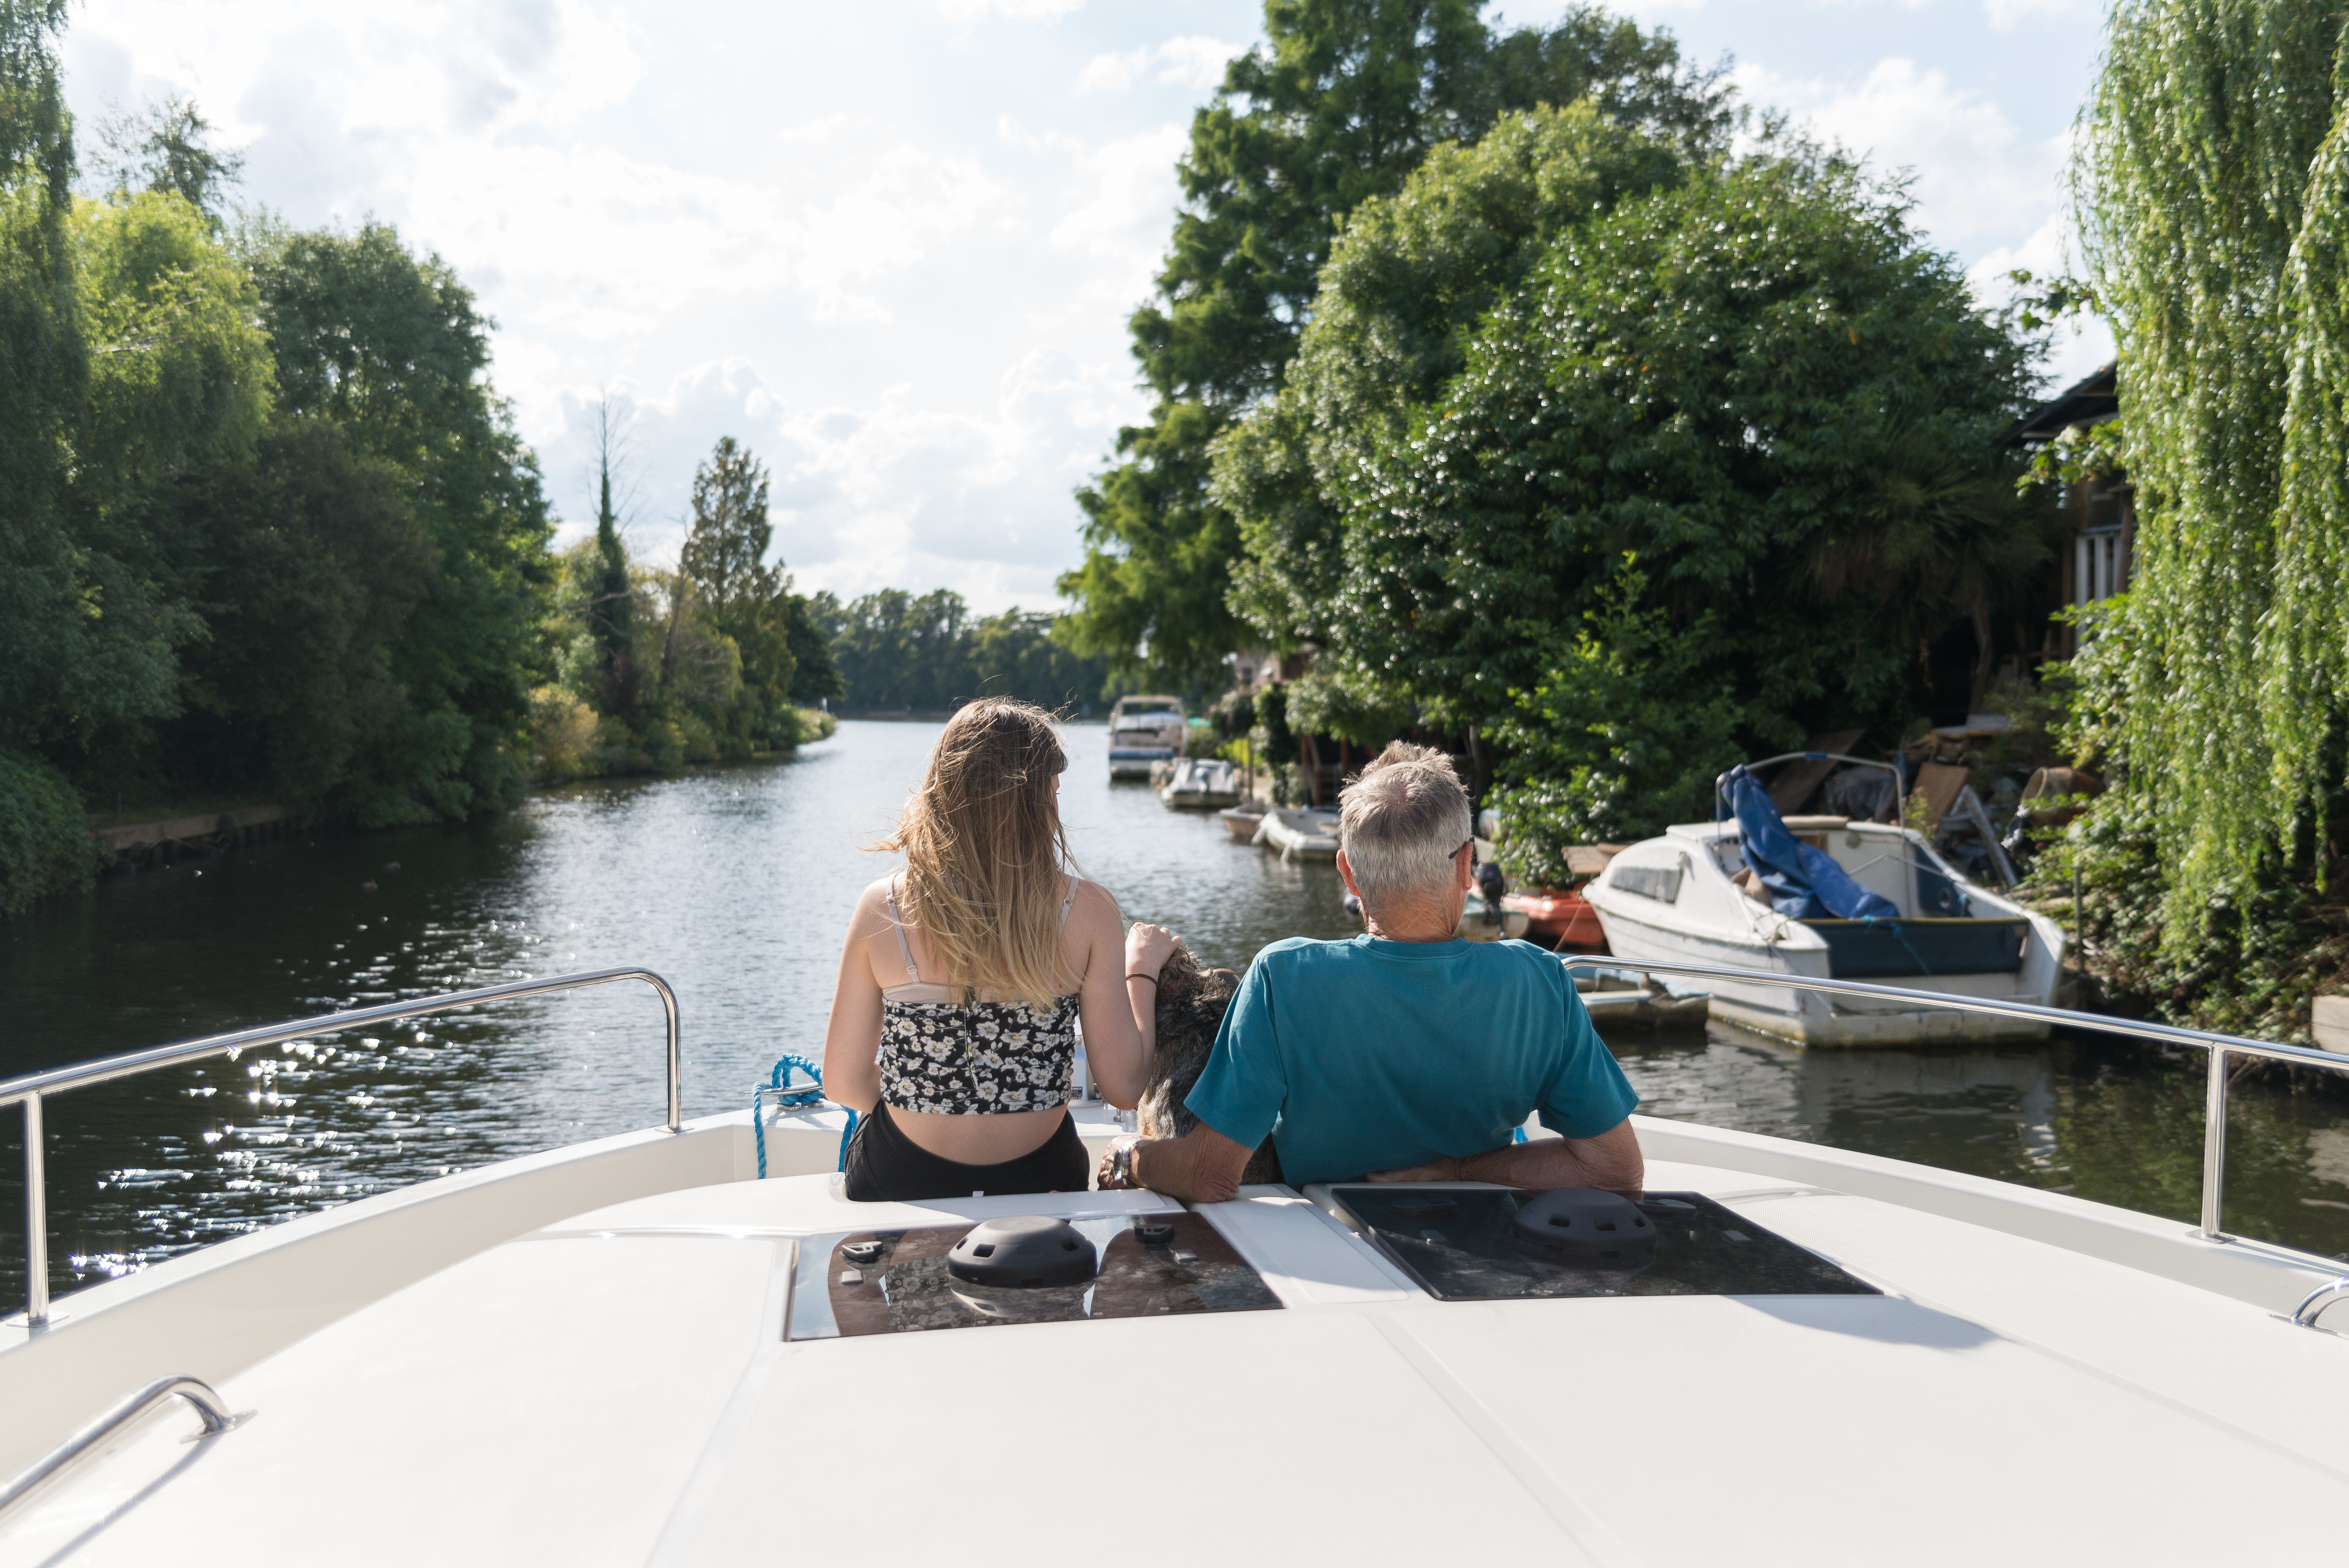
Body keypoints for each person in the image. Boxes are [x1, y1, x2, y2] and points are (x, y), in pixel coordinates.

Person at [1100, 741, 1641, 1203]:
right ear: (1467, 864)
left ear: (1347, 874)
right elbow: (1614, 1172)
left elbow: (1210, 1175)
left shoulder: (1285, 977)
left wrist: (1132, 1157)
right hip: (1485, 1240)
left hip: (1327, 1239)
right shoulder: (1540, 980)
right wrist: (1458, 1171)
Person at [824, 698, 1179, 1201]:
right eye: (1053, 794)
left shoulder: (882, 907)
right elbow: (1122, 1086)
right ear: (1036, 806)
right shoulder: (1088, 910)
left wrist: (923, 1094)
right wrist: (1140, 969)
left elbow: (841, 1082)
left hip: (899, 1174)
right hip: (1038, 1177)